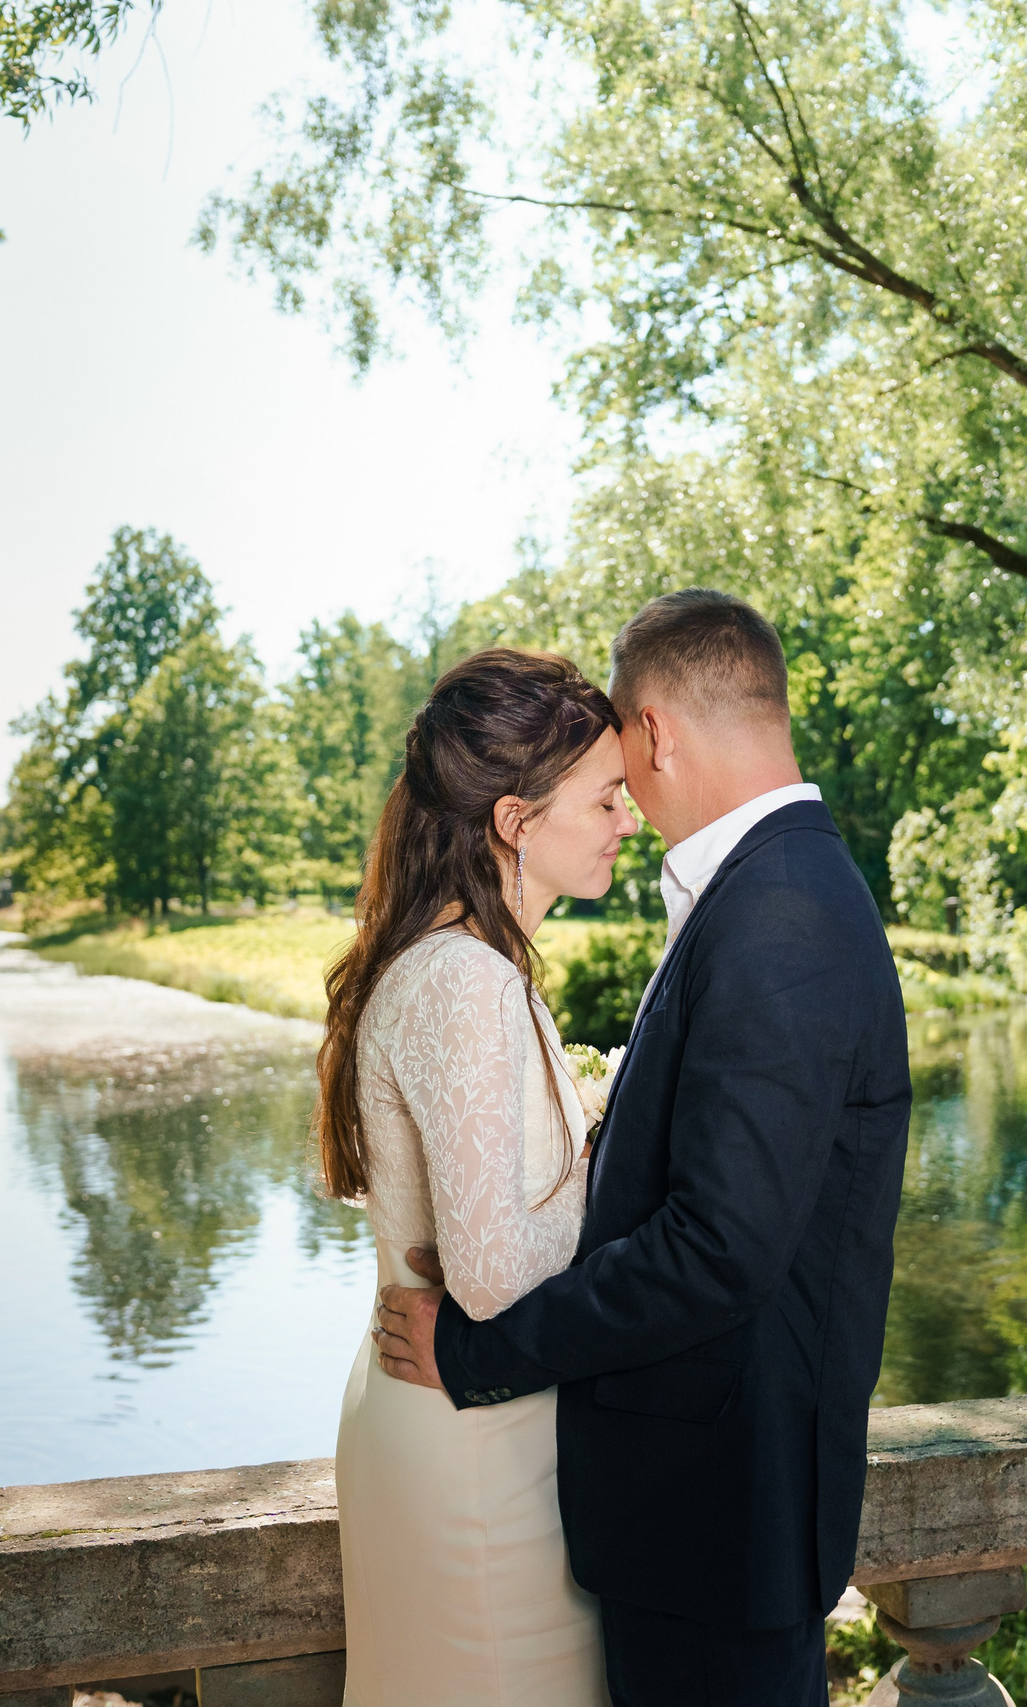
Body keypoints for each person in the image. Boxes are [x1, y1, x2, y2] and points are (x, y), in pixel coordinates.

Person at [373, 589, 913, 1707]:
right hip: (700, 1520)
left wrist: (473, 1357)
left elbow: (718, 1249)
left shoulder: (778, 915)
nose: (623, 802)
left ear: (655, 731)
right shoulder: (780, 890)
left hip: (716, 1523)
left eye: (622, 767)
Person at [320, 647, 638, 1707]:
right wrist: (616, 1166)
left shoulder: (449, 960)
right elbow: (493, 1276)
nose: (624, 821)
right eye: (603, 798)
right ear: (514, 818)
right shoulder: (464, 980)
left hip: (445, 1416)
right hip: (472, 1447)